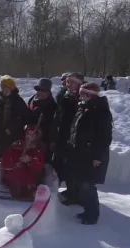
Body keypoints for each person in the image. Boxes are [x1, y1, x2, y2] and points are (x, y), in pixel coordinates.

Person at [67, 83, 113, 225]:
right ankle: (87, 210)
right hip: (81, 153)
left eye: (82, 94)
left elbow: (104, 137)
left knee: (88, 185)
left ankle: (92, 215)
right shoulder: (84, 107)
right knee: (82, 183)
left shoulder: (100, 111)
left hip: (92, 155)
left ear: (89, 95)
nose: (80, 96)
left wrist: (97, 156)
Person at [50, 72, 83, 205]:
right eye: (67, 82)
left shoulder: (81, 98)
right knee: (58, 165)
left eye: (72, 82)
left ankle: (74, 195)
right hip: (61, 136)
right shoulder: (64, 95)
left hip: (73, 139)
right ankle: (62, 192)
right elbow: (57, 118)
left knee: (71, 169)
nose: (69, 85)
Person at [0, 125, 44, 200]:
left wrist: (30, 161)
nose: (29, 136)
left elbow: (40, 167)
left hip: (29, 181)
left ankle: (27, 194)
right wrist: (14, 165)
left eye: (32, 134)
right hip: (14, 178)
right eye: (28, 133)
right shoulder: (16, 146)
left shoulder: (38, 149)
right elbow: (4, 162)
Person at [0, 75, 30, 160]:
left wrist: (11, 129)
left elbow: (24, 118)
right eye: (1, 86)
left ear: (11, 88)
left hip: (13, 136)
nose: (3, 89)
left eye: (5, 87)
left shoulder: (18, 101)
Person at [27, 78, 57, 162]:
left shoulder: (52, 106)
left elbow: (53, 126)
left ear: (48, 91)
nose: (40, 92)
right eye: (38, 89)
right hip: (30, 137)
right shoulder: (32, 100)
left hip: (43, 140)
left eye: (43, 90)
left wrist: (50, 141)